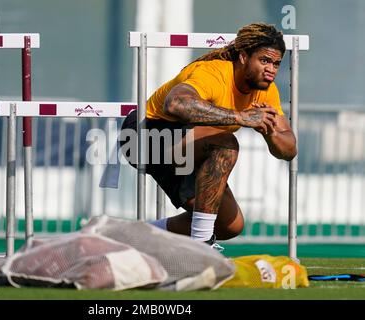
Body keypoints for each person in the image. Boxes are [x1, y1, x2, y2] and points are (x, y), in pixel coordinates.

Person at [119, 22, 297, 250]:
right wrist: (240, 117)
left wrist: (270, 131)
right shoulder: (213, 73)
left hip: (185, 147)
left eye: (276, 63)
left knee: (229, 226)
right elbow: (175, 103)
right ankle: (201, 246)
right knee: (226, 144)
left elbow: (289, 149)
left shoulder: (267, 91)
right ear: (243, 57)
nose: (271, 69)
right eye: (264, 60)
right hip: (143, 134)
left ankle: (137, 235)